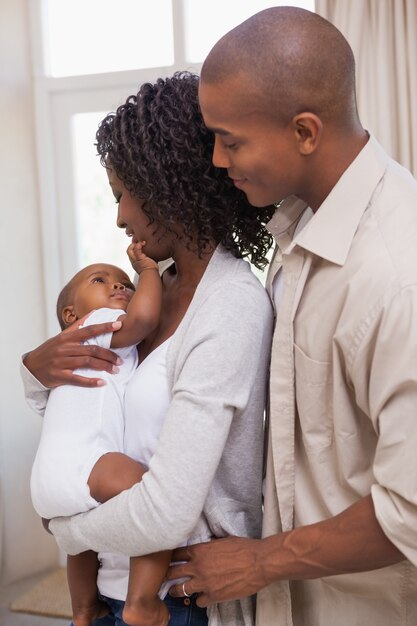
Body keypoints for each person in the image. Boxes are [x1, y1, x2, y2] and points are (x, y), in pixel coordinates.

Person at [162, 6, 417, 626]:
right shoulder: (299, 224)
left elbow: (412, 507)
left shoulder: (394, 274)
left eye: (230, 139)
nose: (219, 161)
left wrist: (264, 561)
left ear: (305, 131)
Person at [22, 71, 274, 626]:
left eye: (120, 194)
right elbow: (91, 407)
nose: (118, 217)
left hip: (183, 599)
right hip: (118, 581)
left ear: (163, 181)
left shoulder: (230, 305)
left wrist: (63, 526)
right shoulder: (146, 295)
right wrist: (35, 374)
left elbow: (166, 511)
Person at [30, 241, 176, 626]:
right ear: (70, 313)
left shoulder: (80, 346)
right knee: (153, 496)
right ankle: (142, 600)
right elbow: (144, 320)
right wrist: (147, 272)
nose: (118, 286)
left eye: (125, 282)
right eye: (101, 279)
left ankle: (82, 610)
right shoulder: (93, 327)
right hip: (88, 460)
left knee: (81, 546)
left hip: (48, 476)